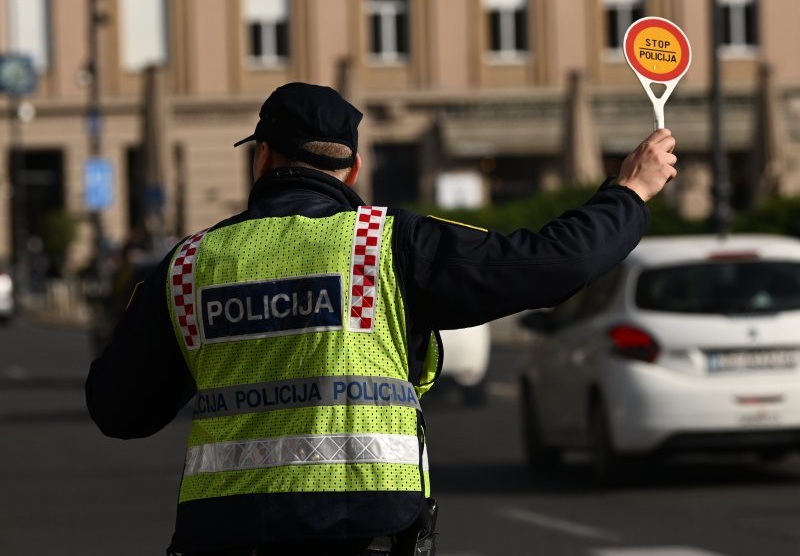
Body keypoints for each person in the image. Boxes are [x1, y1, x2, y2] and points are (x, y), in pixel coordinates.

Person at [86, 82, 677, 555]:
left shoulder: (188, 264)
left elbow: (119, 411)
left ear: (262, 156)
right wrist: (628, 193)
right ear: (354, 167)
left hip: (222, 533)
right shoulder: (387, 244)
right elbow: (550, 264)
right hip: (364, 528)